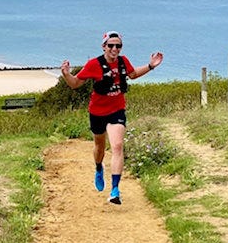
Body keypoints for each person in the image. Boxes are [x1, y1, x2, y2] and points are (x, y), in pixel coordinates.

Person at [60, 31, 163, 205]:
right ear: (104, 46)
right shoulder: (94, 64)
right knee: (99, 146)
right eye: (111, 45)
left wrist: (151, 66)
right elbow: (75, 83)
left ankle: (115, 190)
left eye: (118, 45)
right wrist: (66, 75)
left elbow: (133, 74)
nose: (115, 49)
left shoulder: (123, 62)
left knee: (117, 146)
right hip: (97, 112)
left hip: (117, 110)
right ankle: (99, 167)